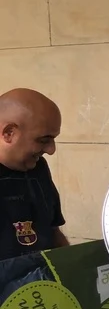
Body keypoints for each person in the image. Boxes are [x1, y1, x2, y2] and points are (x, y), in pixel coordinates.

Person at [0, 88, 68, 259]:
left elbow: (54, 231)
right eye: (43, 140)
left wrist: (70, 266)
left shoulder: (38, 168)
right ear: (9, 133)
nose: (51, 150)